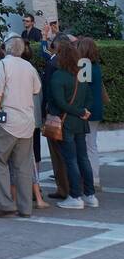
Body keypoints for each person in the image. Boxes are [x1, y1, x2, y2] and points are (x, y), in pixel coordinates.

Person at [0, 35, 41, 217]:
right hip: (27, 121)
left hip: (7, 120)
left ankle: (6, 204)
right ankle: (25, 207)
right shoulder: (29, 67)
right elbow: (36, 90)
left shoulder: (1, 66)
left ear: (6, 48)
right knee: (23, 165)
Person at [49, 38, 97, 209]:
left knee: (71, 160)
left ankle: (75, 196)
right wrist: (84, 111)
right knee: (83, 158)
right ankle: (90, 195)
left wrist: (79, 112)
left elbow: (59, 102)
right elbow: (90, 98)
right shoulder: (81, 75)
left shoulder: (58, 76)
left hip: (67, 122)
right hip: (80, 123)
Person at [18, 37, 48, 209]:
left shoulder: (20, 70)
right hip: (34, 118)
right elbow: (40, 94)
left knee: (24, 155)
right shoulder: (33, 70)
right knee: (35, 153)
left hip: (24, 119)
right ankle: (35, 186)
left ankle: (29, 187)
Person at [41, 35, 71, 200]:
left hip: (55, 113)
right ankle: (72, 186)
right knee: (70, 153)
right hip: (71, 114)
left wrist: (45, 112)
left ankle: (63, 188)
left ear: (55, 45)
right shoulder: (73, 63)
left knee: (57, 154)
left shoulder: (53, 64)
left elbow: (48, 91)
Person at [76, 36, 103, 191]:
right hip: (97, 109)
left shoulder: (84, 65)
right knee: (92, 144)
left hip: (87, 110)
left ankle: (89, 179)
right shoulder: (96, 65)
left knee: (86, 145)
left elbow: (82, 88)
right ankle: (95, 178)